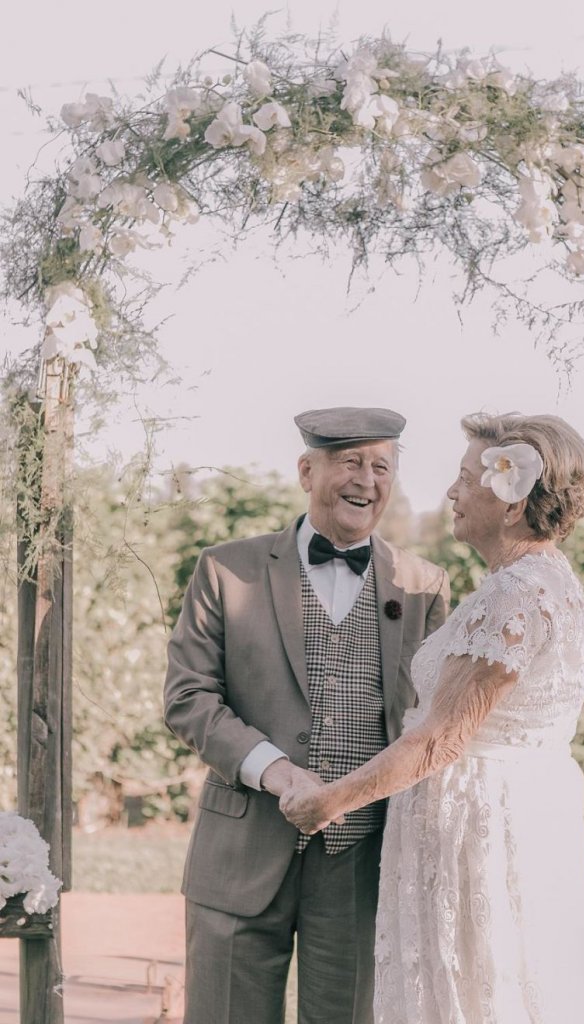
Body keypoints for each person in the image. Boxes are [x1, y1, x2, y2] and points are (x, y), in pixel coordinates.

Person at [281, 412, 584, 1024]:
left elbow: (438, 739)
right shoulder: (540, 580)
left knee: (478, 991)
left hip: (481, 832)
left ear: (512, 504)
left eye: (465, 479)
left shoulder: (515, 594)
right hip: (515, 813)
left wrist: (329, 802)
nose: (451, 493)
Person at [163, 406, 450, 1024]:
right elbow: (188, 698)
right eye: (350, 462)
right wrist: (278, 772)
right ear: (305, 470)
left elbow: (433, 726)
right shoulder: (226, 568)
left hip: (361, 866)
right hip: (241, 853)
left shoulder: (424, 585)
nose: (366, 481)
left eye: (382, 466)